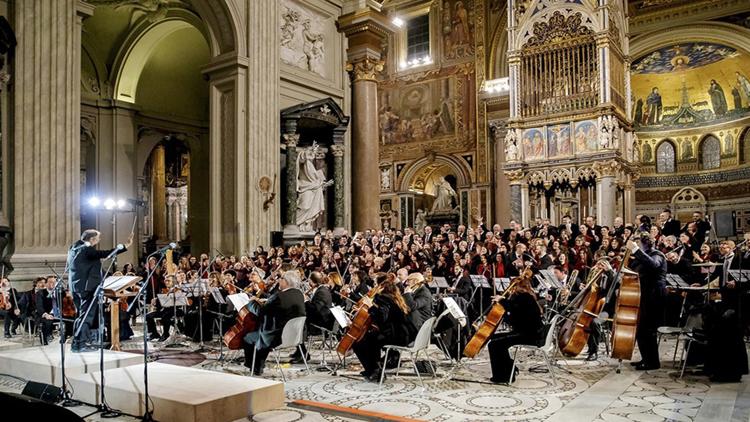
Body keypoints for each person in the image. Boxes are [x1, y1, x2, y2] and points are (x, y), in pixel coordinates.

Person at [68, 229, 132, 353]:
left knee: (81, 316)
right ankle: (80, 344)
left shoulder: (74, 248)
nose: (99, 240)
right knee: (87, 316)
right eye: (98, 238)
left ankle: (77, 342)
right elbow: (105, 254)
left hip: (76, 287)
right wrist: (125, 246)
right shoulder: (86, 249)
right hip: (87, 288)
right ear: (92, 239)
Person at [353, 273, 415, 382]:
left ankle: (375, 370)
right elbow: (385, 313)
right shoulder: (394, 297)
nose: (374, 287)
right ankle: (373, 369)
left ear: (381, 287)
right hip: (403, 334)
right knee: (370, 338)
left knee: (359, 342)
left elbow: (382, 317)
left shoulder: (383, 297)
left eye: (376, 285)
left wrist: (370, 306)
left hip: (395, 336)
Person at [242, 270, 305, 376]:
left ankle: (254, 366)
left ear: (287, 282)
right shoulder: (299, 294)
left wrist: (252, 302)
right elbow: (277, 308)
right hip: (294, 336)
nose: (279, 281)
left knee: (248, 337)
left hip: (276, 337)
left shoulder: (278, 296)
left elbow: (260, 312)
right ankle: (259, 364)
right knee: (263, 330)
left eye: (281, 279)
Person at [703, 240, 748, 382]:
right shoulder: (722, 260)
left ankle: (736, 369)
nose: (722, 247)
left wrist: (738, 282)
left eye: (725, 245)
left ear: (733, 247)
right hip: (726, 297)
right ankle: (717, 367)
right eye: (721, 245)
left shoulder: (740, 259)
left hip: (738, 299)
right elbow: (715, 275)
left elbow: (747, 276)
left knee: (733, 333)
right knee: (721, 331)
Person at [486, 272, 544, 383]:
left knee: (495, 344)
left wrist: (502, 301)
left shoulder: (524, 297)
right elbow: (516, 315)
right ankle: (510, 368)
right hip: (527, 332)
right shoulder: (526, 297)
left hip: (529, 334)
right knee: (494, 339)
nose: (511, 290)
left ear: (518, 287)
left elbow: (515, 312)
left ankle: (504, 376)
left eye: (513, 287)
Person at [626, 232, 667, 370]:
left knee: (648, 330)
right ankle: (646, 358)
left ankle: (653, 362)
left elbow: (653, 265)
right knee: (641, 330)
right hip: (643, 296)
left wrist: (636, 250)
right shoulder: (639, 258)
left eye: (638, 243)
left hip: (654, 297)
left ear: (644, 243)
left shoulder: (657, 254)